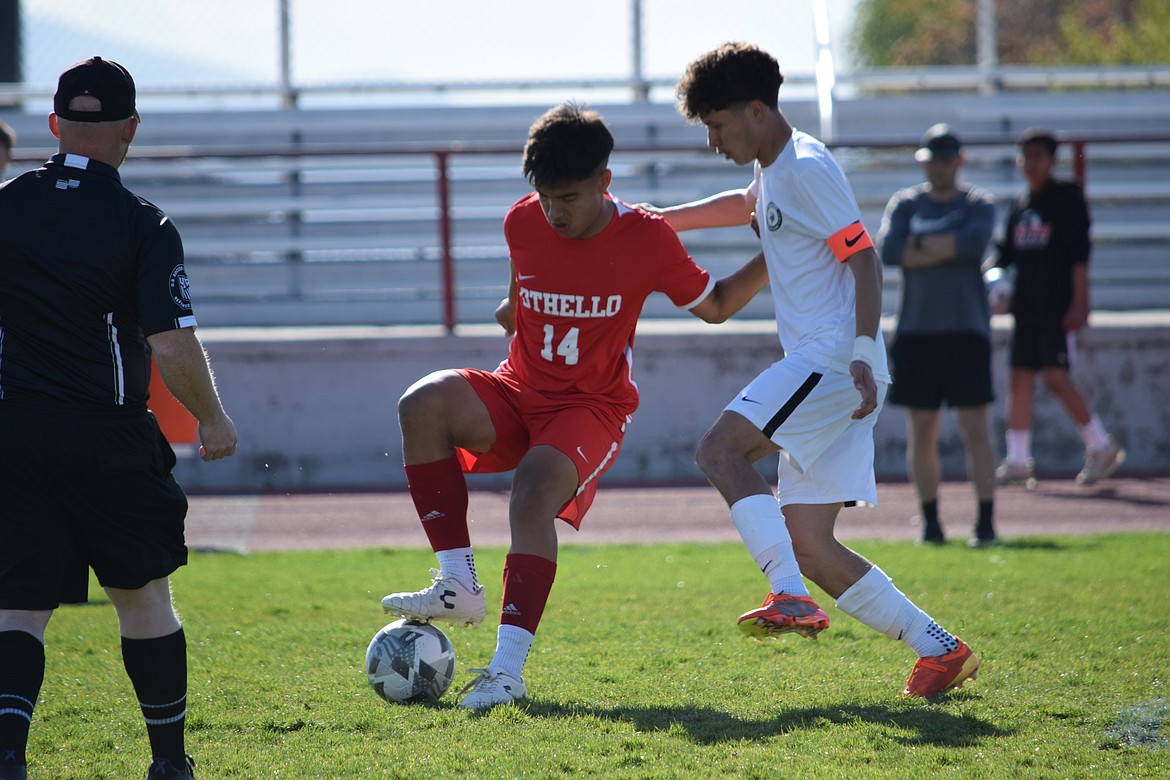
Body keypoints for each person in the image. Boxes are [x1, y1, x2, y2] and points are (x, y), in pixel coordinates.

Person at [380, 101, 769, 710]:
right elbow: (515, 302)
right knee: (421, 402)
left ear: (605, 183)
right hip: (518, 389)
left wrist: (777, 255)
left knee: (532, 492)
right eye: (545, 198)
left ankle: (506, 672)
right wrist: (515, 310)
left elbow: (715, 305)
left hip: (591, 408)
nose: (555, 213)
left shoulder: (648, 237)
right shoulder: (522, 222)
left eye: (569, 198)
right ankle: (458, 580)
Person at [640, 43, 979, 698]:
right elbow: (743, 204)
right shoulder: (779, 171)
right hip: (839, 370)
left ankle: (787, 596)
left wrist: (859, 355)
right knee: (813, 546)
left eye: (717, 125)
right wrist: (656, 222)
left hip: (830, 362)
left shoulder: (803, 169)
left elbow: (866, 259)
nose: (713, 140)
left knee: (719, 450)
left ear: (758, 110)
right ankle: (942, 649)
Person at [0, 57, 238, 780]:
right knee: (142, 598)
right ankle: (168, 763)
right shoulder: (144, 224)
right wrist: (214, 418)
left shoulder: (5, 207)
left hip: (14, 432)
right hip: (108, 437)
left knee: (18, 608)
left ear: (53, 126)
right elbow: (171, 345)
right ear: (130, 130)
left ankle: (9, 755)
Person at [877, 124, 999, 547]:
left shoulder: (978, 203)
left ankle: (985, 522)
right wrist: (943, 247)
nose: (939, 168)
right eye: (932, 160)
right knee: (922, 429)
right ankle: (930, 523)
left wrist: (921, 247)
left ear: (958, 161)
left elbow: (974, 245)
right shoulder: (907, 203)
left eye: (946, 159)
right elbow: (889, 252)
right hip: (916, 330)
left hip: (967, 329)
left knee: (975, 428)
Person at [993, 128, 1125, 488]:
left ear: (1052, 160)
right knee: (1019, 379)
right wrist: (995, 285)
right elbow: (1003, 257)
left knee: (1055, 377)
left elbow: (1078, 255)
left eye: (1038, 155)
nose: (1031, 163)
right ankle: (1018, 460)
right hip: (1026, 310)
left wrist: (1080, 303)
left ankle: (1101, 446)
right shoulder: (1020, 205)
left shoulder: (1066, 198)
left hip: (1056, 307)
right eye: (1025, 155)